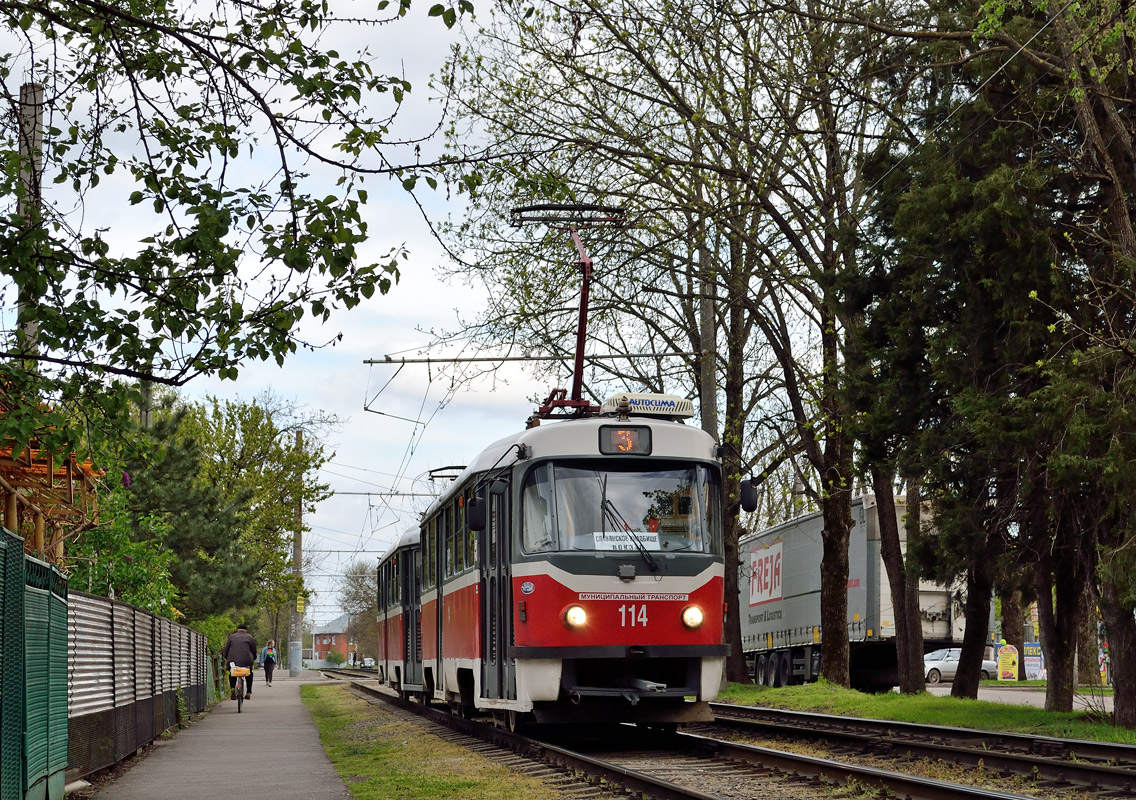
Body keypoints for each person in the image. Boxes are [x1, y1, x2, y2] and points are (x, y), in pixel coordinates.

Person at [222, 623, 257, 700]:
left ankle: (232, 688)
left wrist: (227, 658)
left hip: (233, 660)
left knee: (232, 672)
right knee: (249, 674)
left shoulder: (232, 637)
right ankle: (248, 692)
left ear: (237, 630)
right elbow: (254, 650)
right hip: (247, 661)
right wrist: (253, 658)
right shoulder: (250, 637)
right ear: (246, 630)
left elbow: (226, 650)